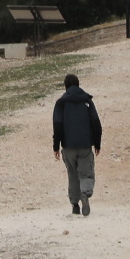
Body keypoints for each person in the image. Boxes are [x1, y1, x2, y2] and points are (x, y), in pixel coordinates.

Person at [51, 72, 102, 216]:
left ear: (65, 87)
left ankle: (75, 205)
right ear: (78, 85)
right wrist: (97, 143)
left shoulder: (61, 103)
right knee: (86, 174)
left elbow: (57, 124)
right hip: (85, 145)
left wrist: (56, 146)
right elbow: (96, 123)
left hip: (68, 146)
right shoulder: (87, 101)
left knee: (72, 174)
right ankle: (85, 194)